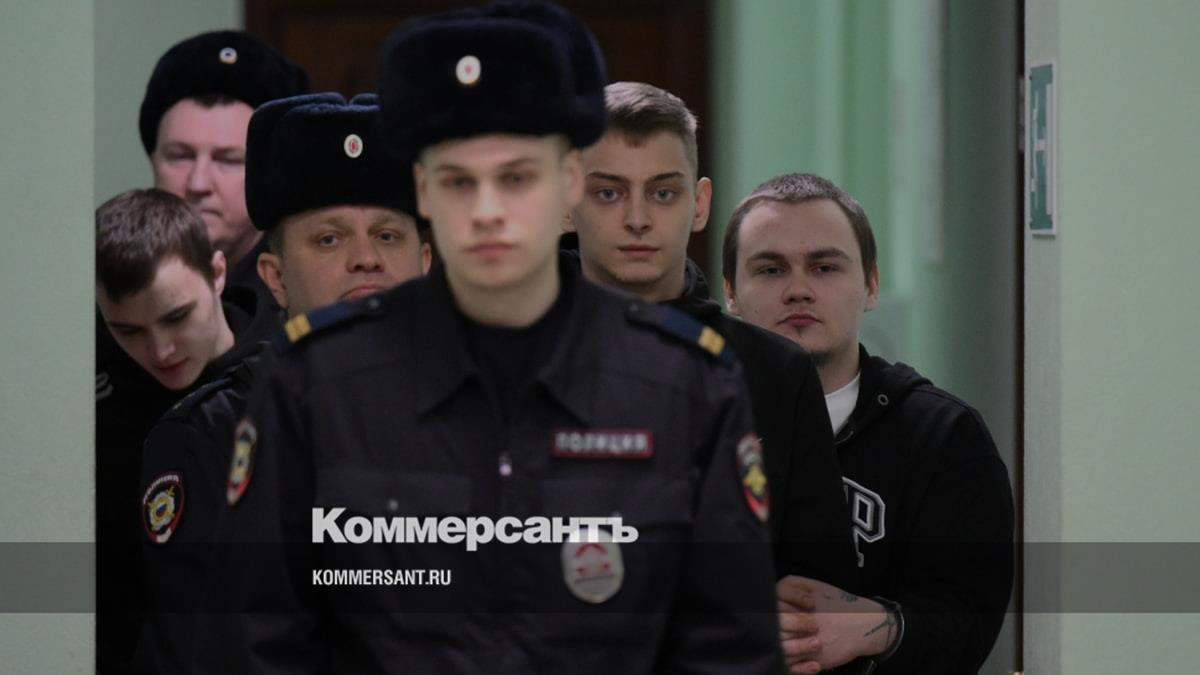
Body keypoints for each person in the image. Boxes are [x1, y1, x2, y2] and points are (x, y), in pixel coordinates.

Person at [198, 3, 782, 673]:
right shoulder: (318, 383)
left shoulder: (682, 384)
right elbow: (253, 645)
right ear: (423, 191)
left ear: (569, 184)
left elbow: (730, 653)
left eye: (516, 178)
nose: (487, 211)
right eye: (458, 181)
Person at [134, 93, 430, 671]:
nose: (366, 259)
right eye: (329, 239)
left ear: (426, 264)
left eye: (388, 236)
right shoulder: (212, 436)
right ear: (275, 278)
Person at [566, 81, 858, 589]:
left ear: (699, 204)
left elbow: (818, 587)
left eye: (663, 193)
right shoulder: (502, 353)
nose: (637, 219)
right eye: (608, 193)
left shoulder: (776, 373)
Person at [722, 172, 1014, 674]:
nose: (798, 290)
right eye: (770, 270)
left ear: (871, 285)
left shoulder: (942, 435)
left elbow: (969, 621)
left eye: (825, 267)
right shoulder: (690, 421)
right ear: (730, 291)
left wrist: (876, 627)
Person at [94, 188, 277, 671]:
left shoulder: (285, 377)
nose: (160, 350)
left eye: (176, 317)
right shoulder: (87, 392)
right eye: (128, 330)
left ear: (217, 273)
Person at [138, 29, 310, 297]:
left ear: (272, 173)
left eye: (227, 160)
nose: (198, 183)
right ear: (153, 159)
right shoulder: (111, 292)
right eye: (180, 156)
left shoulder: (304, 297)